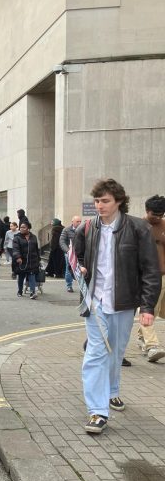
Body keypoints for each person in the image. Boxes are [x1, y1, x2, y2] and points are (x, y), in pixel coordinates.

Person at [74, 179, 160, 434]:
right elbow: (71, 250)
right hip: (95, 300)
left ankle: (111, 391)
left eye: (105, 201)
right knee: (96, 354)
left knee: (116, 351)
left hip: (123, 301)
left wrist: (147, 308)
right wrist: (80, 266)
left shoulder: (138, 228)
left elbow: (150, 270)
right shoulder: (88, 227)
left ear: (119, 201)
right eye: (97, 201)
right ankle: (98, 411)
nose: (99, 206)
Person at [136, 196, 165, 363]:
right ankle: (152, 345)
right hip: (146, 277)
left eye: (162, 214)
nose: (159, 218)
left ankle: (142, 337)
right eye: (155, 214)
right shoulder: (138, 226)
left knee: (154, 311)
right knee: (148, 309)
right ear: (147, 211)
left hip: (163, 274)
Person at [12, 221, 40, 299]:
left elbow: (36, 249)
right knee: (21, 276)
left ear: (28, 228)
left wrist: (38, 259)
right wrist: (18, 257)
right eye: (21, 227)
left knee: (32, 276)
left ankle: (32, 292)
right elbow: (15, 249)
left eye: (24, 227)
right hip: (22, 261)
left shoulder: (33, 237)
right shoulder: (17, 237)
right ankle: (20, 291)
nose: (22, 229)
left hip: (32, 260)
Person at [59, 216, 81, 292]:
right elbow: (62, 242)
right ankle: (69, 285)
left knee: (81, 269)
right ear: (72, 222)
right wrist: (68, 251)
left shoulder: (82, 229)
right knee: (69, 269)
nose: (79, 223)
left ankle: (82, 285)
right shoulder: (66, 230)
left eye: (80, 221)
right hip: (69, 253)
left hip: (80, 253)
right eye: (77, 221)